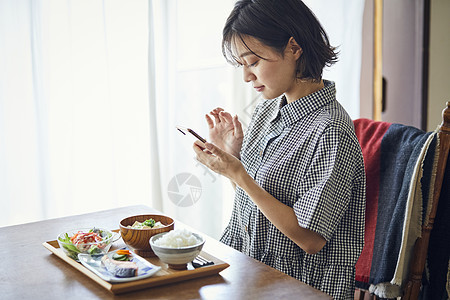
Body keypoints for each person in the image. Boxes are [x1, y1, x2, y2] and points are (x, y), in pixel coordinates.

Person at [193, 0, 366, 299]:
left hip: (298, 287)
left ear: (294, 48)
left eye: (253, 62)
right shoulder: (266, 112)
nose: (247, 77)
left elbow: (310, 238)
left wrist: (240, 173)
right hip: (248, 270)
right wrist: (232, 162)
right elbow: (257, 208)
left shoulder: (331, 130)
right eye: (241, 66)